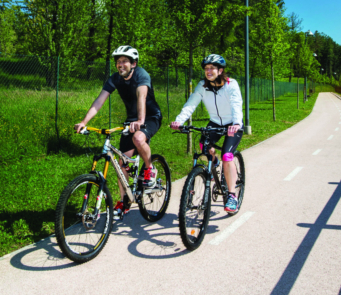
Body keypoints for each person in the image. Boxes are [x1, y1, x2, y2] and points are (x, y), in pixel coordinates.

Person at [75, 46, 163, 219]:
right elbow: (100, 100)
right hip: (132, 120)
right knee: (122, 164)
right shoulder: (115, 78)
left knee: (139, 138)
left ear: (133, 64)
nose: (120, 65)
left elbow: (141, 97)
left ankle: (149, 169)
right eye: (118, 62)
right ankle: (124, 202)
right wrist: (84, 122)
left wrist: (140, 120)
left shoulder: (141, 75)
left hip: (150, 116)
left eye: (124, 61)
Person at [170, 54, 244, 213]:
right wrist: (179, 121)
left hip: (232, 124)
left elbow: (236, 104)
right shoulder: (202, 86)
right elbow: (191, 104)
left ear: (220, 70)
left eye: (212, 68)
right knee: (204, 145)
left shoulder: (231, 84)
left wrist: (237, 123)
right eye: (206, 68)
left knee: (227, 156)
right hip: (215, 122)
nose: (208, 71)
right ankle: (215, 163)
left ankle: (232, 195)